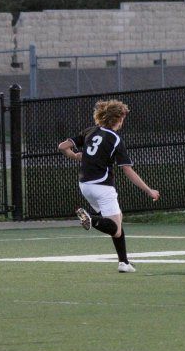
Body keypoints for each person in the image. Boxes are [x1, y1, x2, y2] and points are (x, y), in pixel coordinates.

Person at [58, 99, 160, 273]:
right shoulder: (115, 139)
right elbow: (127, 170)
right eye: (122, 118)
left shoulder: (91, 131)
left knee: (117, 218)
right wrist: (149, 190)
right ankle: (91, 219)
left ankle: (124, 263)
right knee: (115, 226)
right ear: (118, 118)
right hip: (102, 187)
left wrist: (74, 156)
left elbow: (63, 146)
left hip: (85, 185)